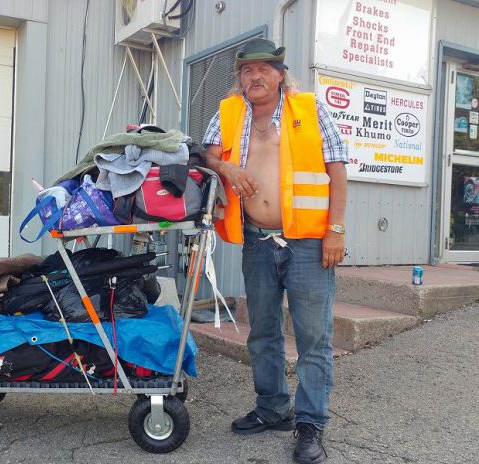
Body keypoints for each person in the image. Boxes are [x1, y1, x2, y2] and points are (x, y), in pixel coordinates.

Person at [202, 37, 347, 464]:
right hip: (257, 241)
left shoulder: (309, 108)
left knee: (313, 339)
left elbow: (337, 171)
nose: (256, 75)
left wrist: (335, 231)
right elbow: (206, 154)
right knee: (263, 333)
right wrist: (225, 165)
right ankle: (272, 408)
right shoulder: (229, 113)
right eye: (247, 70)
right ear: (240, 79)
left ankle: (310, 425)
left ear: (281, 74)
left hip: (307, 241)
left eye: (265, 68)